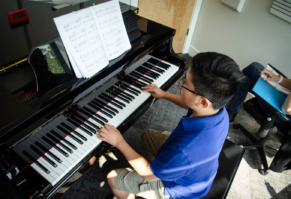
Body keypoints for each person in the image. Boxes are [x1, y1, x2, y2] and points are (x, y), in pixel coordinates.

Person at [95, 52, 243, 199]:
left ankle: (150, 181)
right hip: (195, 167)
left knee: (113, 177)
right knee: (147, 135)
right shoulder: (217, 110)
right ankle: (163, 168)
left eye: (185, 83)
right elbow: (188, 103)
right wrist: (164, 94)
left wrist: (119, 142)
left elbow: (148, 175)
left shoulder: (184, 151)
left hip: (178, 188)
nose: (181, 84)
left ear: (203, 102)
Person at [227, 62, 291, 127]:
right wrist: (278, 78)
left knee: (243, 81)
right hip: (282, 95)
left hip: (280, 113)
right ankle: (229, 100)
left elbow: (286, 109)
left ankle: (230, 108)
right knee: (254, 66)